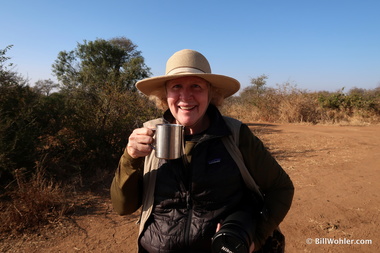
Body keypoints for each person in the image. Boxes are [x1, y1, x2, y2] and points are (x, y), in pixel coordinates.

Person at [110, 49, 294, 253]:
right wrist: (130, 157)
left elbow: (281, 187)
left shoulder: (234, 135)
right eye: (176, 86)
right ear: (166, 94)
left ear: (210, 93)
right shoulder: (148, 134)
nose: (185, 96)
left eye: (196, 86)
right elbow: (123, 207)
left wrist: (256, 238)